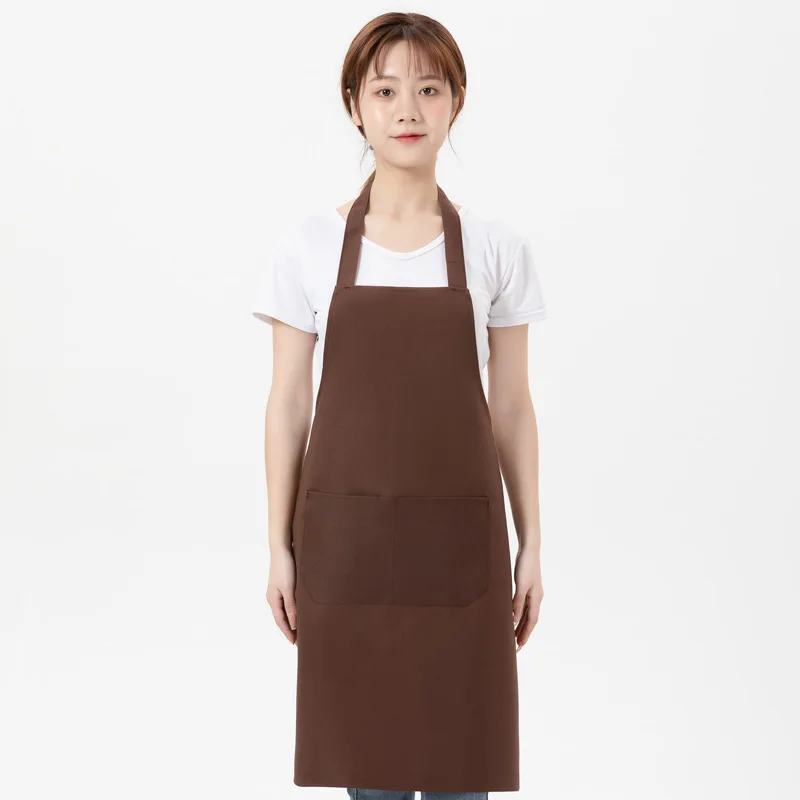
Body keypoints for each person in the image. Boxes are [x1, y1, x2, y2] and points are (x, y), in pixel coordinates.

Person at [253, 12, 546, 799]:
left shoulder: (495, 247)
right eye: (385, 91)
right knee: (371, 783)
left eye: (429, 89)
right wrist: (278, 546)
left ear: (456, 102)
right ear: (355, 104)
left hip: (462, 553)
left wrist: (531, 544)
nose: (408, 110)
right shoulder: (309, 245)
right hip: (346, 551)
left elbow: (513, 407)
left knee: (462, 776)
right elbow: (288, 403)